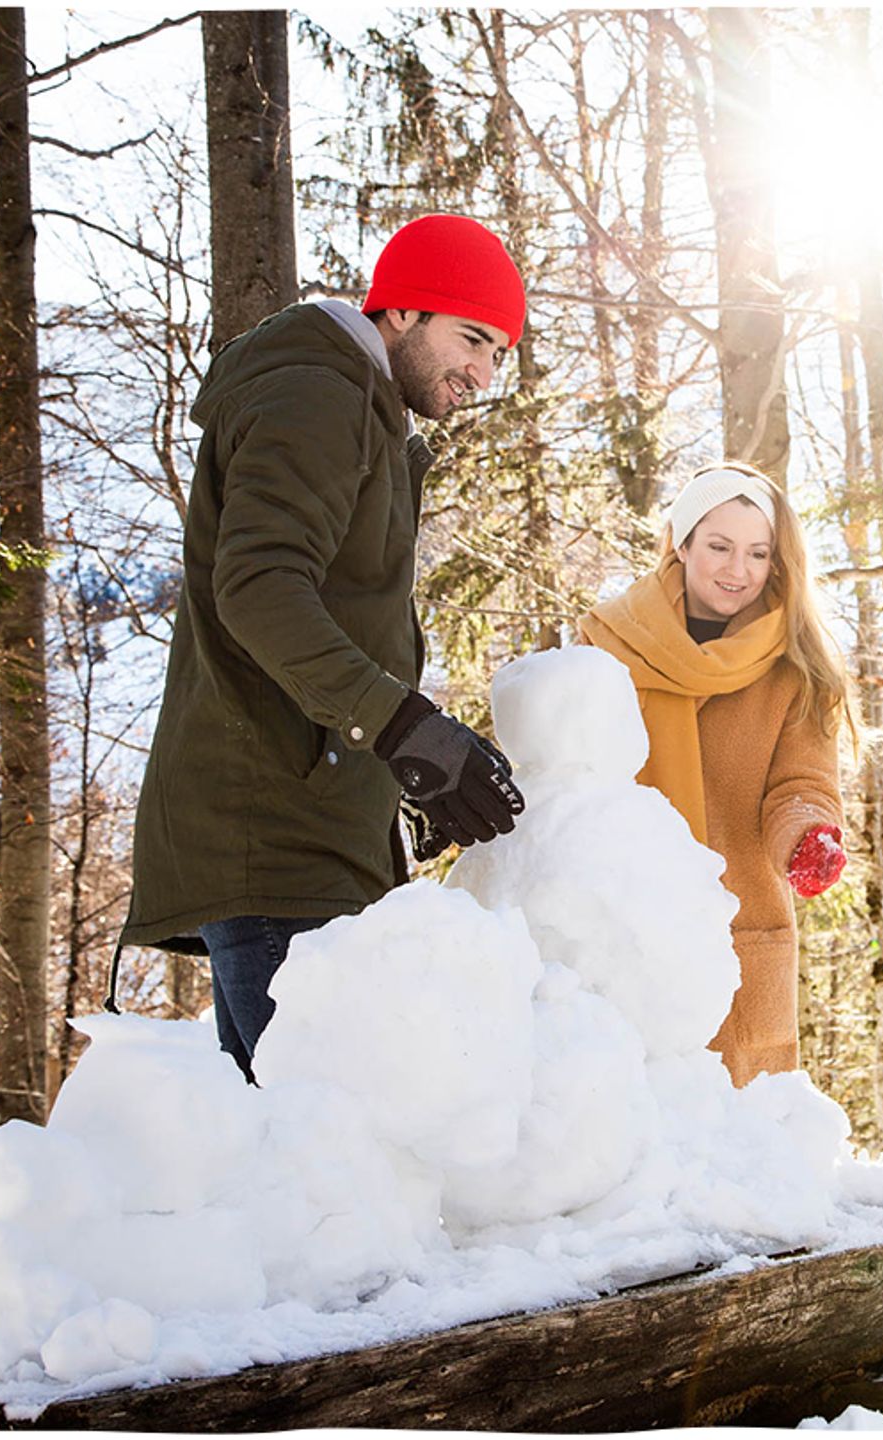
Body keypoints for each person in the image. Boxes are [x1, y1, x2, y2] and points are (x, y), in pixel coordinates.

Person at [119, 214, 530, 1082]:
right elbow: (260, 591)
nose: (484, 374)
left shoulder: (358, 408)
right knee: (325, 1158)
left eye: (499, 353)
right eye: (473, 338)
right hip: (276, 840)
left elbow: (322, 616)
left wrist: (395, 773)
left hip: (305, 834)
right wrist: (403, 729)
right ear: (405, 311)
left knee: (299, 1156)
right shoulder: (318, 391)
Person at [578, 461, 849, 1086]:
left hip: (739, 929)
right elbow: (572, 776)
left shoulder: (796, 668)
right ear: (681, 541)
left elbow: (802, 785)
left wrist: (809, 838)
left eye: (758, 553)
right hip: (626, 923)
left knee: (744, 1146)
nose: (738, 570)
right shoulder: (607, 646)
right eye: (720, 547)